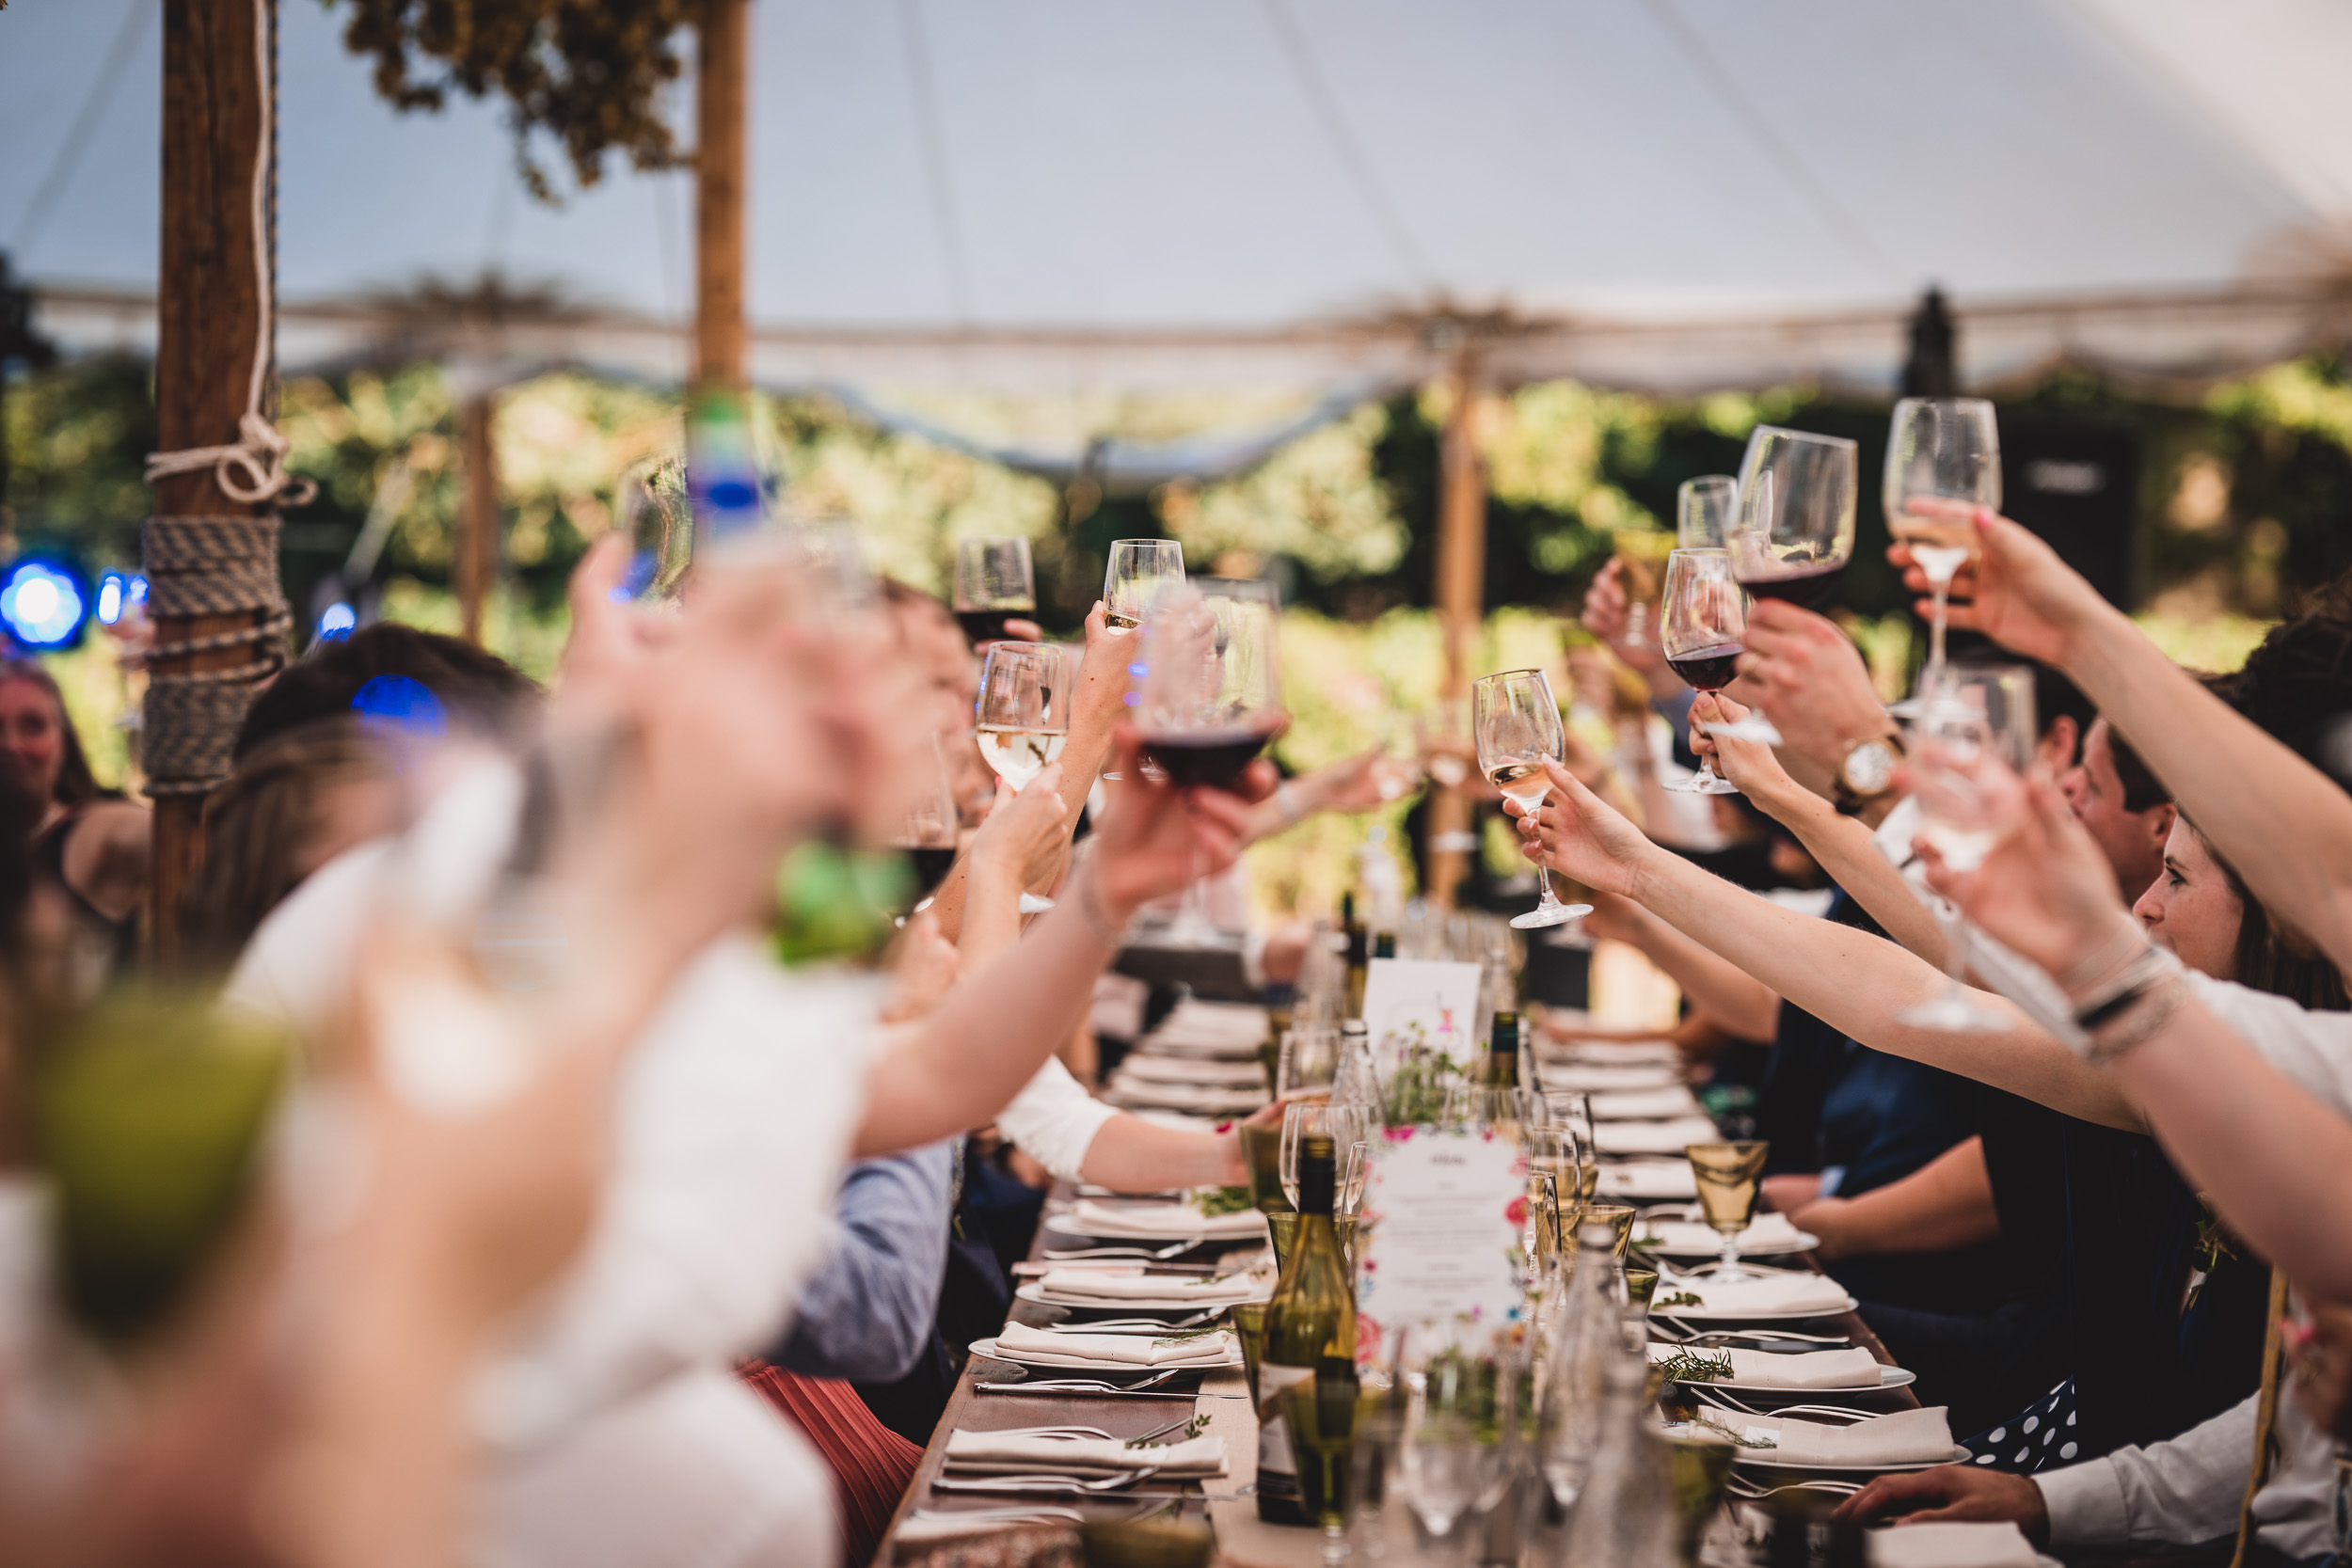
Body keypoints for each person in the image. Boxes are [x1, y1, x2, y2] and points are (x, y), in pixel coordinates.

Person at [0, 657, 148, 987]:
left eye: (33, 726)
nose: (10, 745)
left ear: (63, 744)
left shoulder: (90, 833)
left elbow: (174, 831)